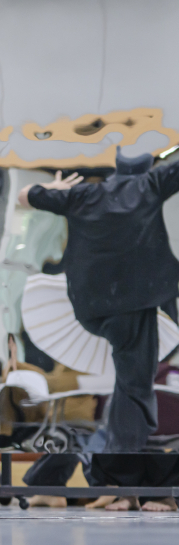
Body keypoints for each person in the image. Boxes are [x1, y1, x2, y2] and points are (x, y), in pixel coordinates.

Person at [20, 151, 179, 512]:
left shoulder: (84, 194)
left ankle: (68, 482)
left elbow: (24, 195)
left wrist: (54, 186)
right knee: (135, 390)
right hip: (133, 305)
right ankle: (121, 484)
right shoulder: (150, 184)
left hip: (91, 309)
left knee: (127, 387)